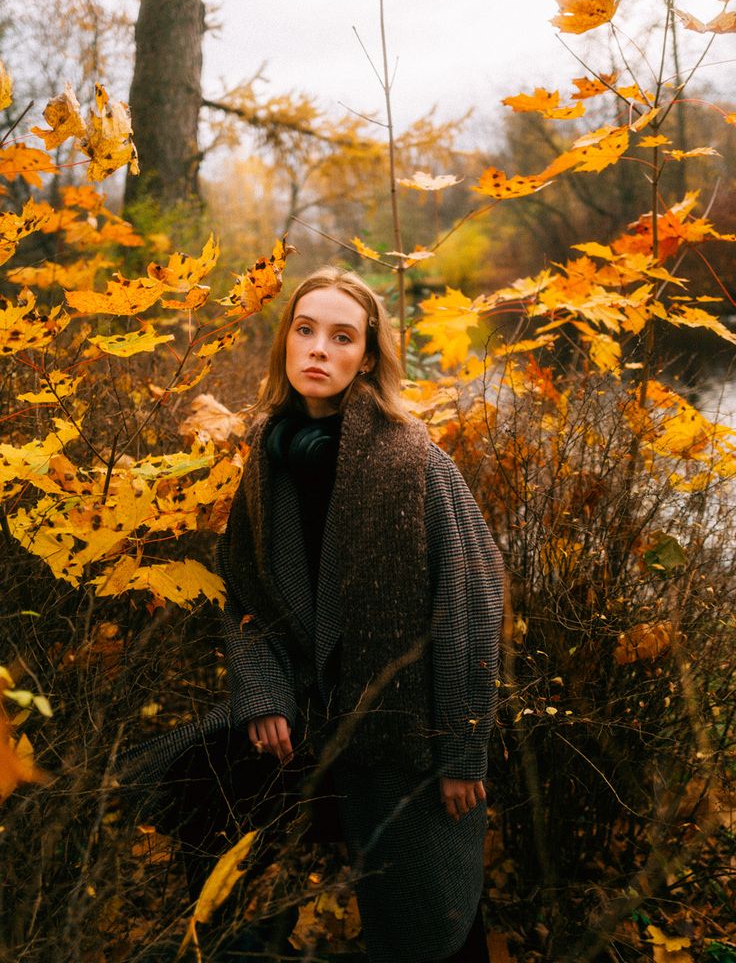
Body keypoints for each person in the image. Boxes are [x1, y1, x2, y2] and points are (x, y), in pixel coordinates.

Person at [127, 267, 504, 963]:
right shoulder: (267, 456)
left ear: (367, 355)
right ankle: (243, 945)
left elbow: (472, 605)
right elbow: (245, 595)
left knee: (432, 917)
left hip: (401, 732)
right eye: (306, 330)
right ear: (286, 342)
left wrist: (461, 747)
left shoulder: (414, 462)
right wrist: (263, 694)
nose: (319, 350)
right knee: (192, 783)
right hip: (304, 720)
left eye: (341, 336)